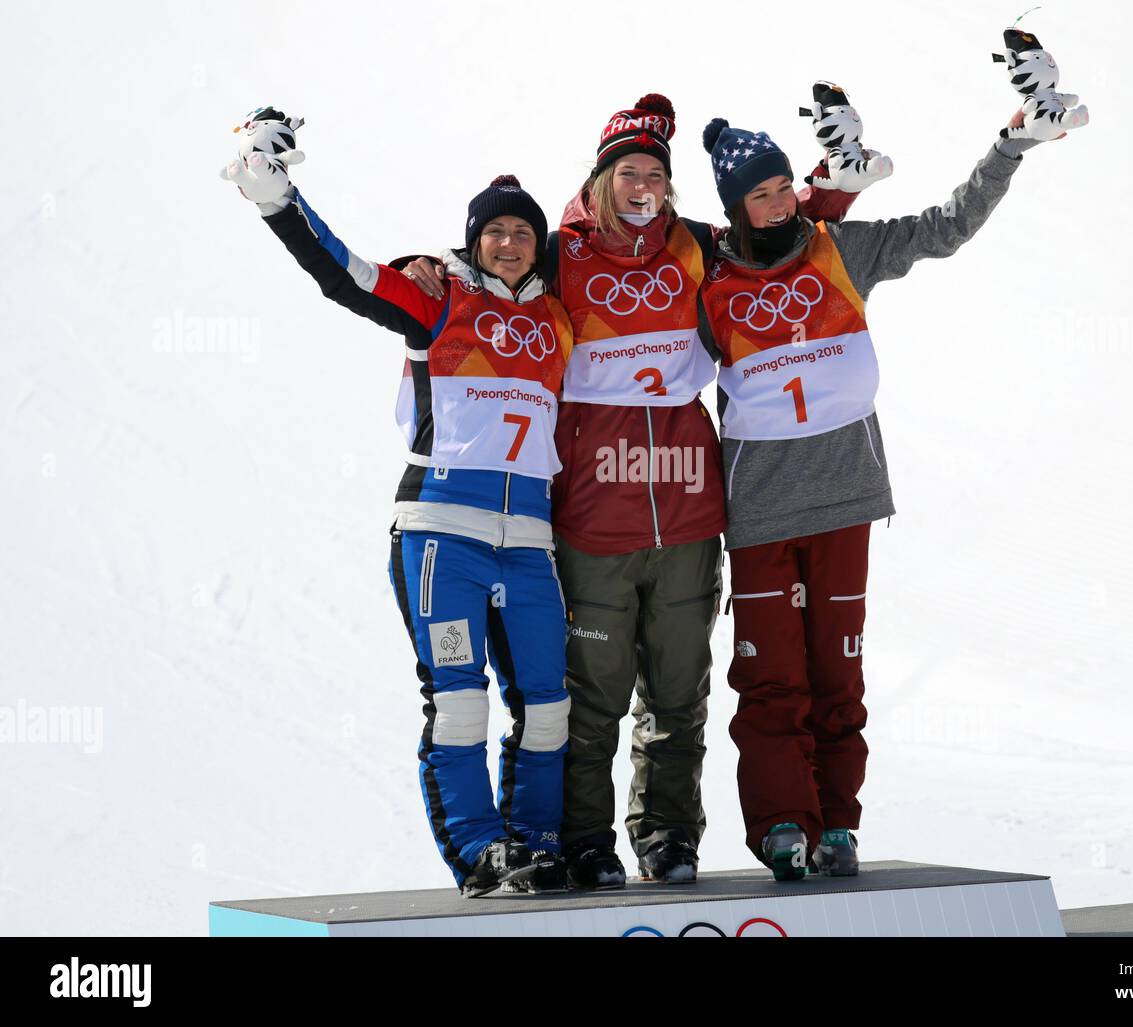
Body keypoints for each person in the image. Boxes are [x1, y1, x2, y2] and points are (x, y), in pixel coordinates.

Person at [403, 90, 864, 889]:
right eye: (630, 171)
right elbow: (491, 263)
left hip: (689, 504)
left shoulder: (696, 245)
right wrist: (433, 265)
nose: (643, 184)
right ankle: (584, 838)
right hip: (592, 514)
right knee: (591, 699)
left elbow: (778, 226)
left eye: (657, 171)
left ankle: (667, 834)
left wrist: (837, 187)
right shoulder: (559, 249)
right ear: (602, 178)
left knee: (679, 693)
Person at [694, 96, 1059, 881]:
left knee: (838, 677)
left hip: (845, 501)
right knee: (770, 680)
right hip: (759, 514)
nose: (778, 199)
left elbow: (945, 227)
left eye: (784, 184)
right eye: (760, 193)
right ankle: (784, 823)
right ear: (735, 209)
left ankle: (837, 826)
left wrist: (1010, 146)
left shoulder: (841, 249)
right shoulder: (709, 277)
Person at [220, 108, 574, 898]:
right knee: (460, 702)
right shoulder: (439, 300)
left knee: (549, 706)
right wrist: (275, 196)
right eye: (495, 232)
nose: (510, 242)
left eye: (523, 231)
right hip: (441, 534)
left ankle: (539, 841)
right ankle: (481, 851)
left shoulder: (560, 319)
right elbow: (345, 273)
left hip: (530, 542)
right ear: (473, 241)